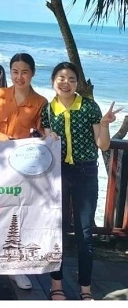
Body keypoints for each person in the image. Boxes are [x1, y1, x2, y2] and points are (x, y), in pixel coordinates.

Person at [41, 62, 122, 301]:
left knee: (85, 233)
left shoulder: (88, 107)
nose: (66, 83)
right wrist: (48, 137)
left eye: (71, 79)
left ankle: (85, 288)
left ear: (77, 83)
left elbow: (103, 145)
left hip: (85, 173)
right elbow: (46, 140)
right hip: (59, 173)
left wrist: (105, 125)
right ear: (53, 81)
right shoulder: (48, 109)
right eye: (61, 78)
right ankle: (56, 284)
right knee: (57, 229)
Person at [0, 53, 48, 290]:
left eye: (24, 72)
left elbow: (43, 134)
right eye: (15, 71)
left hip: (21, 167)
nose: (19, 77)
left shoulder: (40, 102)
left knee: (17, 215)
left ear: (32, 73)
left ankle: (16, 269)